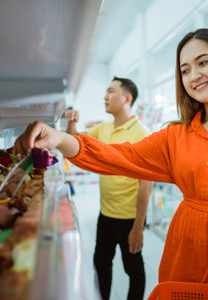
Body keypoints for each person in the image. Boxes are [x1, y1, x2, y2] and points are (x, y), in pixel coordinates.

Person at [14, 29, 208, 291]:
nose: (194, 75)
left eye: (203, 62)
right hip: (184, 253)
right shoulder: (176, 135)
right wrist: (60, 138)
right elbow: (122, 157)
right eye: (185, 70)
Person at [64, 77, 151, 300]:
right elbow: (76, 142)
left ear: (127, 98)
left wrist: (138, 227)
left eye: (111, 91)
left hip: (129, 218)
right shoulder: (103, 128)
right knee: (100, 264)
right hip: (106, 214)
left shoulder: (141, 133)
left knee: (133, 270)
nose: (105, 96)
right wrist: (71, 123)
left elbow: (145, 184)